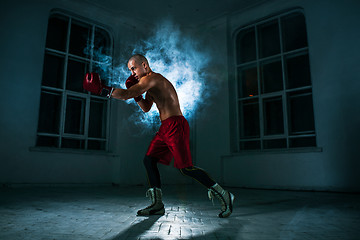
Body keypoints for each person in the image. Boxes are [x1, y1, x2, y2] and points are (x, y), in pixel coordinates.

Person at [83, 54, 234, 218]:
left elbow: (125, 94)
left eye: (134, 68)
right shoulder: (148, 84)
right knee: (149, 160)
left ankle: (224, 195)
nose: (132, 72)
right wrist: (137, 95)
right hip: (165, 128)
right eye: (130, 70)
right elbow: (146, 107)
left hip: (176, 125)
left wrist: (102, 89)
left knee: (186, 169)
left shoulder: (152, 79)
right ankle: (157, 204)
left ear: (144, 65)